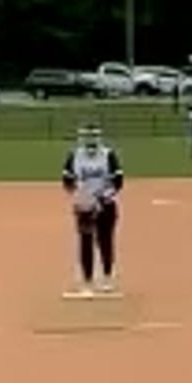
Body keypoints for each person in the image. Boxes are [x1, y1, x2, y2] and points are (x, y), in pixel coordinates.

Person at [60, 122, 124, 298]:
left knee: (105, 240)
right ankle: (87, 281)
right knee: (85, 242)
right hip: (84, 206)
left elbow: (118, 181)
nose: (90, 141)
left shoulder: (108, 155)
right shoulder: (74, 156)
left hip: (106, 204)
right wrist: (80, 196)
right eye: (87, 137)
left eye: (93, 136)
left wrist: (103, 198)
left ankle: (107, 277)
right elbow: (67, 180)